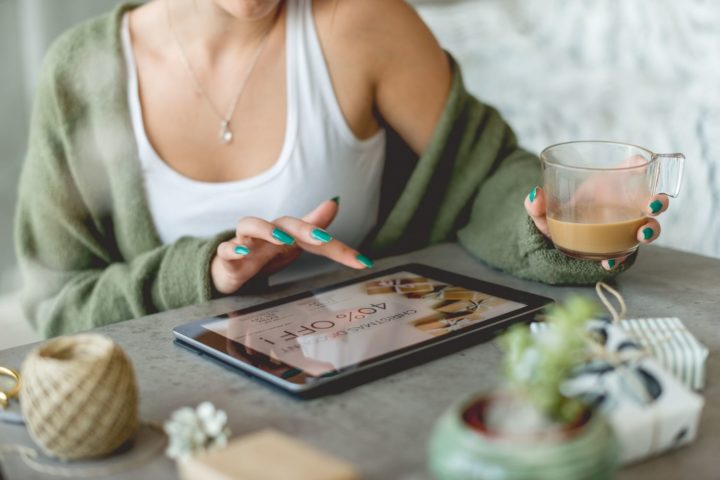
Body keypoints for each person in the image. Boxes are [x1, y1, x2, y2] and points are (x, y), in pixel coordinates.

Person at [15, 0, 669, 338]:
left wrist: (552, 217)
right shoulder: (80, 74)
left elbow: (488, 178)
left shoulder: (363, 23)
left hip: (379, 397)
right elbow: (58, 305)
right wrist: (202, 273)